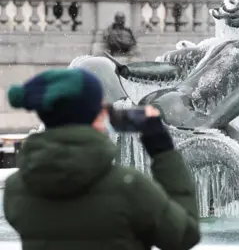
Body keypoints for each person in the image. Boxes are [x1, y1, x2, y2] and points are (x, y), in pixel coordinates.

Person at [3, 68, 201, 250]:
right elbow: (183, 236)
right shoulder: (129, 186)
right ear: (95, 117)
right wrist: (163, 151)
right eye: (100, 108)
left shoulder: (16, 189)